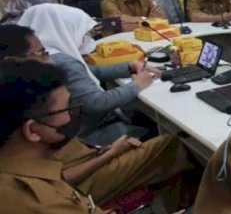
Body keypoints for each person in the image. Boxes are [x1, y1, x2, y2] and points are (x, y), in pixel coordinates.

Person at [0, 60, 193, 212]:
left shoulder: (24, 168)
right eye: (67, 108)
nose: (73, 114)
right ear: (32, 130)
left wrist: (110, 152)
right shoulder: (39, 202)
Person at [16, 4, 158, 138]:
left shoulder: (39, 57)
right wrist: (137, 85)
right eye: (84, 32)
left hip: (73, 128)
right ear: (66, 29)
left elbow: (87, 71)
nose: (86, 38)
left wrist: (128, 67)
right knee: (159, 127)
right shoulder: (64, 62)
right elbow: (97, 103)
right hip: (94, 130)